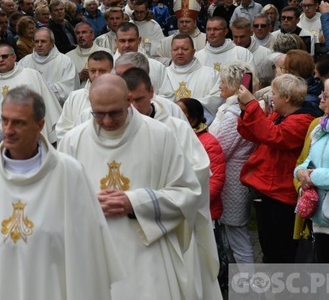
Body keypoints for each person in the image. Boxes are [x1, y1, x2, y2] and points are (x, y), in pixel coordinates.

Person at [0, 87, 122, 300]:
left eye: (19, 122)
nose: (9, 130)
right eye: (5, 121)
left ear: (40, 125)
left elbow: (87, 258)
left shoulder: (69, 172)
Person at [58, 74, 202, 299]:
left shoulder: (159, 136)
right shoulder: (72, 142)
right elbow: (58, 202)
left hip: (148, 255)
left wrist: (135, 202)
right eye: (99, 113)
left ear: (128, 100)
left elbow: (187, 193)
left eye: (115, 112)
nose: (106, 121)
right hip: (92, 254)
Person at [122, 68, 222, 299]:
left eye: (139, 99)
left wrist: (156, 197)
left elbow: (199, 172)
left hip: (172, 223)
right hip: (126, 226)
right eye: (128, 101)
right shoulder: (115, 132)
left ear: (152, 93)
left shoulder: (175, 127)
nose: (134, 107)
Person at [238, 74, 317, 263]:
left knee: (281, 250)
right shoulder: (282, 116)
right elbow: (255, 134)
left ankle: (284, 290)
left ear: (287, 98)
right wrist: (244, 111)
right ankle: (275, 289)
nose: (271, 98)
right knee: (269, 247)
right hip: (269, 191)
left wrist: (252, 106)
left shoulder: (302, 120)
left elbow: (274, 136)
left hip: (282, 195)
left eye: (274, 94)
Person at [207, 62, 257, 265]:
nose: (219, 86)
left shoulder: (233, 114)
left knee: (238, 238)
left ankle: (249, 290)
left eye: (223, 82)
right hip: (233, 179)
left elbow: (220, 150)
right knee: (229, 236)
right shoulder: (232, 110)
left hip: (234, 183)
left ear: (234, 85)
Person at [177, 97, 228, 293]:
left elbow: (215, 183)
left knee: (211, 264)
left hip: (204, 213)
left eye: (181, 113)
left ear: (192, 118)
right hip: (184, 214)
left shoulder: (208, 142)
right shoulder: (177, 138)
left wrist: (191, 204)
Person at [295, 76, 329, 263]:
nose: (320, 97)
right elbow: (307, 161)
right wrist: (300, 172)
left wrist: (314, 176)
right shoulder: (321, 128)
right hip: (319, 220)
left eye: (327, 95)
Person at [0, 44, 62, 143]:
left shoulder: (31, 75)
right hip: (3, 138)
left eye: (4, 56)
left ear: (14, 57)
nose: (1, 60)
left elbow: (49, 105)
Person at [165, 34, 223, 119]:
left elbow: (217, 99)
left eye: (185, 49)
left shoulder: (210, 74)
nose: (180, 52)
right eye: (175, 49)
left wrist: (187, 109)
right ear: (171, 52)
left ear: (193, 51)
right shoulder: (163, 74)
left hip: (201, 127)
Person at [19, 28, 79, 105]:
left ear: (52, 43)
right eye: (36, 41)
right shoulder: (25, 61)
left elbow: (69, 88)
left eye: (43, 41)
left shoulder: (65, 62)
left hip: (57, 109)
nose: (39, 45)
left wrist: (43, 88)